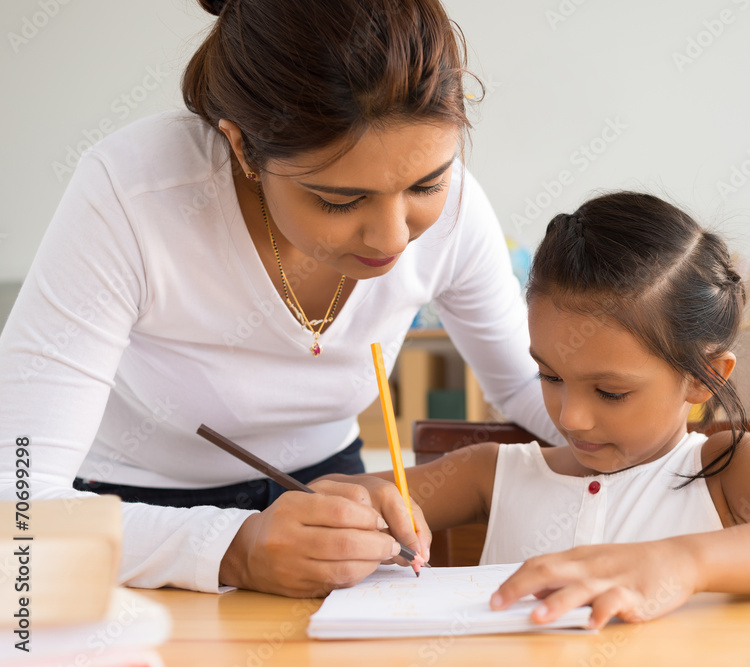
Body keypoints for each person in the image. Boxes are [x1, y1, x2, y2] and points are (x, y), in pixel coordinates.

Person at [0, 0, 562, 598]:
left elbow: (531, 387)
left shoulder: (459, 212)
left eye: (426, 184)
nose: (394, 237)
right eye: (341, 200)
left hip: (338, 505)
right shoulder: (133, 195)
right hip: (133, 517)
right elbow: (17, 502)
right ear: (242, 150)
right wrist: (237, 550)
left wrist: (664, 447)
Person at [337, 191, 750, 628]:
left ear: (703, 378)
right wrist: (346, 513)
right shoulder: (491, 473)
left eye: (609, 392)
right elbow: (322, 505)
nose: (570, 416)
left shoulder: (729, 468)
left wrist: (682, 563)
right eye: (550, 376)